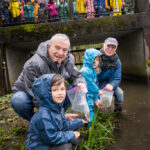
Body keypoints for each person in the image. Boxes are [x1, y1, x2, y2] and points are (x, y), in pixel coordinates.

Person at [11, 33, 86, 121]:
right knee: (19, 101)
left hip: (52, 90)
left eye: (64, 50)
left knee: (73, 89)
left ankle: (58, 118)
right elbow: (36, 93)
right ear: (49, 46)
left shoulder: (68, 59)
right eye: (57, 48)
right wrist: (49, 115)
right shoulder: (33, 64)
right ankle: (36, 122)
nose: (60, 53)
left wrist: (80, 83)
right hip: (29, 92)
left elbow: (76, 76)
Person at [25, 74, 88, 150]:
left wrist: (79, 122)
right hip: (38, 146)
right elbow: (51, 138)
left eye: (62, 89)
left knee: (75, 141)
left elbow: (63, 126)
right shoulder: (43, 115)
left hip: (48, 141)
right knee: (66, 147)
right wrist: (71, 135)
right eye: (55, 90)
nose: (60, 93)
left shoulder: (58, 108)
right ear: (45, 93)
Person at [97, 37, 124, 112]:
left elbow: (117, 78)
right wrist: (96, 89)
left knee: (120, 93)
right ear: (103, 45)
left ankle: (118, 112)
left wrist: (112, 85)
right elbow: (90, 76)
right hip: (96, 83)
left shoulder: (117, 61)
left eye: (113, 47)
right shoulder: (96, 57)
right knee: (99, 98)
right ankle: (98, 112)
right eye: (108, 46)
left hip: (109, 84)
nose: (110, 49)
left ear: (116, 49)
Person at [80, 48, 103, 126]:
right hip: (84, 95)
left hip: (89, 95)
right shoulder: (85, 71)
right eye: (92, 59)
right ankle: (90, 127)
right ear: (87, 59)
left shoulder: (92, 70)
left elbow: (94, 83)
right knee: (89, 111)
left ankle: (88, 125)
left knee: (90, 110)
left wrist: (96, 99)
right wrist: (97, 91)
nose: (94, 61)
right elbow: (90, 85)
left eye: (97, 59)